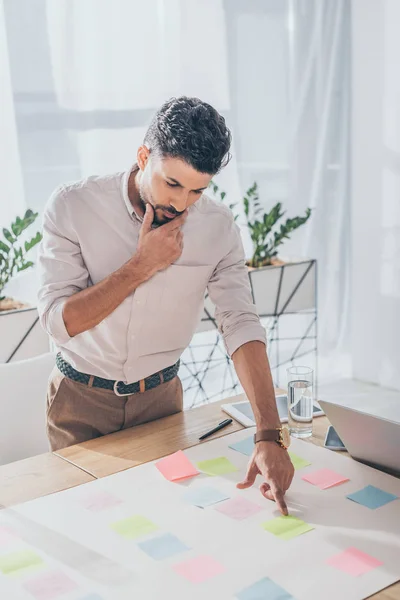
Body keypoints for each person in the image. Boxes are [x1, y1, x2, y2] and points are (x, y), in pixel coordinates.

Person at [37, 96, 294, 514]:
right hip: (79, 402)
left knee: (163, 520)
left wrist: (269, 434)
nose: (181, 203)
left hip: (162, 403)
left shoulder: (217, 227)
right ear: (143, 157)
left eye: (197, 190)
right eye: (172, 183)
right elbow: (58, 322)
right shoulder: (73, 206)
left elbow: (240, 323)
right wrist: (141, 266)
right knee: (89, 522)